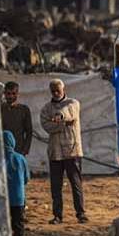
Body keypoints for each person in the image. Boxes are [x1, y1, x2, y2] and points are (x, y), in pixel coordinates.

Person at [40, 79, 88, 224]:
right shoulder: (46, 108)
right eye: (53, 91)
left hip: (72, 151)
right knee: (56, 186)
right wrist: (63, 125)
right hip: (55, 152)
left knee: (76, 183)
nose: (56, 93)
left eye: (58, 91)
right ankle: (57, 215)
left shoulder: (73, 103)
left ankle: (80, 213)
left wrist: (60, 117)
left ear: (63, 90)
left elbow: (70, 112)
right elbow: (46, 126)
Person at [3, 131, 30, 236]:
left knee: (4, 224)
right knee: (18, 224)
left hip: (3, 199)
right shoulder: (20, 158)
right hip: (18, 198)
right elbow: (26, 178)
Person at [0, 81, 33, 156]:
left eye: (13, 93)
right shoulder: (0, 109)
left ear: (17, 94)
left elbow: (29, 132)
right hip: (3, 150)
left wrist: (24, 150)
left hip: (19, 150)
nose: (11, 96)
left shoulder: (24, 110)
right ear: (4, 94)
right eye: (8, 93)